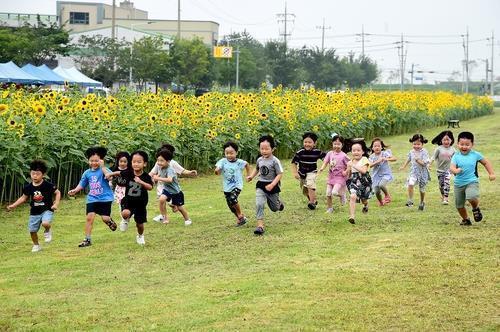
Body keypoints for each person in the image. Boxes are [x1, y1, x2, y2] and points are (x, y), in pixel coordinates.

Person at [7, 160, 61, 252]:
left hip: (47, 209)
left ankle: (47, 231)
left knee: (45, 223)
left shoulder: (48, 185)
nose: (35, 176)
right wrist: (13, 205)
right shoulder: (28, 187)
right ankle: (36, 245)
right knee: (32, 231)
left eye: (38, 174)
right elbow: (23, 198)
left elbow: (58, 192)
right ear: (30, 173)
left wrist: (56, 204)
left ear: (43, 174)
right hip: (34, 212)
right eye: (33, 174)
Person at [68, 147, 117, 247]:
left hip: (105, 198)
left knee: (105, 218)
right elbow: (82, 184)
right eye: (91, 161)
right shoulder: (87, 173)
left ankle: (110, 221)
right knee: (89, 218)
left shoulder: (104, 170)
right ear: (88, 161)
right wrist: (75, 190)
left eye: (96, 161)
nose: (94, 163)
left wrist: (103, 167)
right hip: (92, 198)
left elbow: (110, 177)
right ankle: (87, 239)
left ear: (101, 161)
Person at [107, 150, 153, 245]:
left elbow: (150, 187)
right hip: (128, 201)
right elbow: (119, 172)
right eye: (133, 162)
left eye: (139, 162)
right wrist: (110, 174)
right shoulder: (129, 173)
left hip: (141, 203)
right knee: (125, 213)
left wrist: (141, 182)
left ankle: (140, 236)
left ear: (144, 164)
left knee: (139, 224)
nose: (136, 164)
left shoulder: (146, 176)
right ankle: (125, 220)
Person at [450, 131, 495, 225]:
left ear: (472, 145)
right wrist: (455, 170)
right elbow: (452, 167)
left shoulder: (475, 154)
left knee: (471, 196)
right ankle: (466, 219)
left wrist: (491, 173)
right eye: (461, 144)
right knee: (459, 206)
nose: (464, 147)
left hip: (472, 181)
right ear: (457, 144)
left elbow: (486, 162)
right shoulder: (456, 156)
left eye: (467, 144)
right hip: (458, 184)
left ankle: (475, 208)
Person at [247, 135, 284, 235]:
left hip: (273, 185)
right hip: (261, 185)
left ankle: (279, 204)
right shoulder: (259, 160)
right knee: (259, 203)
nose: (264, 151)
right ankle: (260, 226)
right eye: (262, 148)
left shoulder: (275, 161)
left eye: (267, 149)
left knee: (274, 208)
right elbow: (257, 168)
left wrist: (272, 184)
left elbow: (280, 174)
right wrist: (251, 176)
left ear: (273, 149)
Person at [149, 143, 197, 222]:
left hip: (175, 190)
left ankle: (187, 219)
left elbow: (181, 171)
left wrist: (190, 172)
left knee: (179, 207)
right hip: (165, 188)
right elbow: (152, 172)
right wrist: (146, 178)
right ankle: (164, 218)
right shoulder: (159, 163)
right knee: (161, 200)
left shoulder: (171, 165)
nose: (159, 162)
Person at [215, 141, 251, 226]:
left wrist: (249, 175)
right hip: (227, 187)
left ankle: (240, 214)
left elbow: (247, 164)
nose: (229, 155)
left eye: (231, 153)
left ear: (236, 152)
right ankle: (241, 219)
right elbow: (218, 168)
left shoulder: (239, 162)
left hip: (237, 185)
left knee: (233, 198)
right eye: (227, 153)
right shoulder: (223, 161)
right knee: (231, 206)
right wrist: (217, 170)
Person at [291, 132, 326, 210]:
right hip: (302, 173)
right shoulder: (300, 152)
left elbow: (326, 158)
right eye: (305, 142)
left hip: (312, 172)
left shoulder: (317, 152)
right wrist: (295, 173)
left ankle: (312, 203)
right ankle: (313, 199)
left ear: (314, 143)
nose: (307, 144)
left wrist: (330, 162)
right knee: (305, 191)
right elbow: (293, 163)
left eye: (310, 142)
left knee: (310, 185)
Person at [319, 133, 349, 213]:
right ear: (332, 144)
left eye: (338, 144)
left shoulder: (344, 156)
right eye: (335, 144)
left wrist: (346, 172)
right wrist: (322, 168)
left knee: (334, 192)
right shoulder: (329, 153)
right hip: (331, 177)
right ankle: (330, 208)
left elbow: (350, 164)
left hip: (340, 178)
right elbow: (325, 162)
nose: (336, 146)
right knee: (328, 194)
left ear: (342, 145)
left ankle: (342, 195)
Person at [399, 134, 431, 210]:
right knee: (410, 183)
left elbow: (424, 163)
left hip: (423, 173)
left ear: (422, 144)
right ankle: (410, 200)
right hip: (414, 172)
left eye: (418, 144)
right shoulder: (411, 152)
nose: (416, 146)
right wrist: (403, 166)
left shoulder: (424, 152)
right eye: (414, 144)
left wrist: (418, 160)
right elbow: (409, 159)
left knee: (422, 189)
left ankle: (422, 201)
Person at [345, 140, 372, 224]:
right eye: (354, 150)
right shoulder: (350, 162)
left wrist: (353, 165)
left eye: (358, 150)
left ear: (363, 151)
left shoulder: (365, 160)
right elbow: (348, 175)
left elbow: (363, 171)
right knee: (353, 196)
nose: (356, 152)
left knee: (364, 199)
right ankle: (352, 216)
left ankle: (365, 205)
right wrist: (347, 170)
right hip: (354, 181)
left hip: (364, 181)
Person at [369, 138, 397, 206]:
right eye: (375, 146)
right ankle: (381, 202)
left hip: (385, 174)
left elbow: (394, 158)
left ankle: (387, 196)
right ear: (372, 148)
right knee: (377, 191)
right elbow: (369, 165)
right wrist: (377, 161)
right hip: (376, 176)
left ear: (381, 147)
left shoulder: (384, 153)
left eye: (378, 146)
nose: (377, 147)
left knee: (381, 185)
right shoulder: (371, 157)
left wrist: (386, 158)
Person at [430, 130, 456, 205]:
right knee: (441, 185)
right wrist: (429, 164)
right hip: (440, 170)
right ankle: (443, 196)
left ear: (451, 140)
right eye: (444, 140)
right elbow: (433, 157)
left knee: (447, 182)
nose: (446, 141)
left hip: (449, 170)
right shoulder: (439, 149)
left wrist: (456, 169)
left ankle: (446, 198)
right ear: (441, 140)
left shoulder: (453, 149)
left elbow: (456, 159)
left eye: (448, 139)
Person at [110, 151, 130, 231]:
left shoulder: (129, 170)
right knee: (121, 205)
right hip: (119, 189)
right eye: (121, 161)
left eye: (125, 162)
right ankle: (124, 220)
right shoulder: (115, 169)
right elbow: (112, 178)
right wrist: (111, 183)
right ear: (118, 161)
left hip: (128, 189)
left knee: (128, 205)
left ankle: (127, 216)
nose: (122, 163)